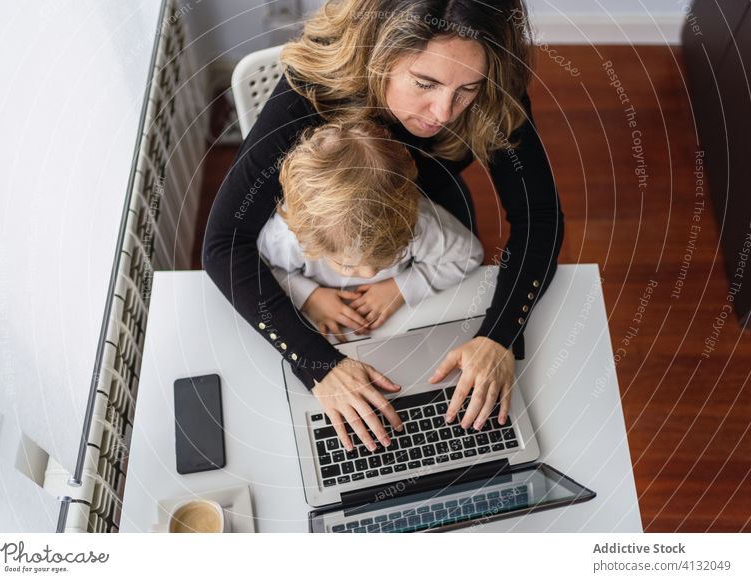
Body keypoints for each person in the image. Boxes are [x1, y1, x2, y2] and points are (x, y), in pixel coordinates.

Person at [203, 0, 564, 453]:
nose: (445, 113)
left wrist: (499, 336)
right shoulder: (312, 89)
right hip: (328, 227)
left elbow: (538, 217)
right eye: (425, 83)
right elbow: (223, 243)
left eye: (468, 88)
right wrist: (317, 365)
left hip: (434, 221)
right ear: (379, 54)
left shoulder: (491, 87)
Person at [257, 122, 484, 355]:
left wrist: (400, 288)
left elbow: (468, 256)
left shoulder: (417, 223)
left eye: (388, 258)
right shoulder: (290, 238)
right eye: (347, 264)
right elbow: (258, 267)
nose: (370, 273)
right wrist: (308, 296)